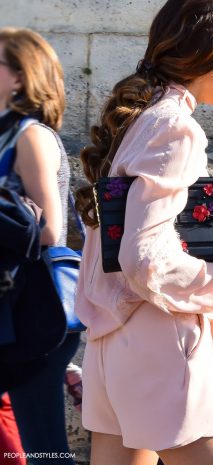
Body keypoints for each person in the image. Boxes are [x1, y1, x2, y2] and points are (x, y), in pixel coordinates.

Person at [75, 1, 213, 464]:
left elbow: (117, 260)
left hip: (114, 351)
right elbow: (145, 260)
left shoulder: (140, 123)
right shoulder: (174, 128)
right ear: (211, 53)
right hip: (162, 353)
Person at [0, 28, 79, 464]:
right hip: (16, 306)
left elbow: (48, 229)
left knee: (44, 447)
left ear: (20, 77)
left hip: (33, 310)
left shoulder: (31, 136)